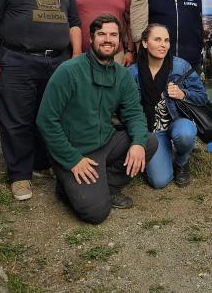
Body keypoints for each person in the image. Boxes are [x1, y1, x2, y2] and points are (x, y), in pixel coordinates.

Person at [0, 0, 82, 201]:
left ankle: (41, 163)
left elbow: (73, 22)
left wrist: (75, 57)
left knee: (49, 116)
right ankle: (19, 175)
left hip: (58, 61)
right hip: (18, 60)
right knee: (17, 120)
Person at [37, 14, 157, 222]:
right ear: (91, 38)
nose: (108, 39)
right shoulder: (69, 71)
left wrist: (138, 143)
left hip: (105, 143)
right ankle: (66, 186)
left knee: (149, 141)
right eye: (101, 34)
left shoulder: (122, 75)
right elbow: (46, 120)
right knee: (96, 213)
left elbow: (134, 113)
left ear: (119, 40)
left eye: (113, 35)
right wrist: (72, 159)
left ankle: (107, 186)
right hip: (75, 150)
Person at [129, 23, 207, 187]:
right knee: (159, 181)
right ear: (145, 43)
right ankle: (163, 152)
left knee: (185, 133)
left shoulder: (180, 66)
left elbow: (202, 97)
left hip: (176, 123)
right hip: (151, 131)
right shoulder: (132, 73)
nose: (163, 45)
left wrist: (183, 94)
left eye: (166, 40)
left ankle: (182, 161)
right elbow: (127, 109)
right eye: (157, 39)